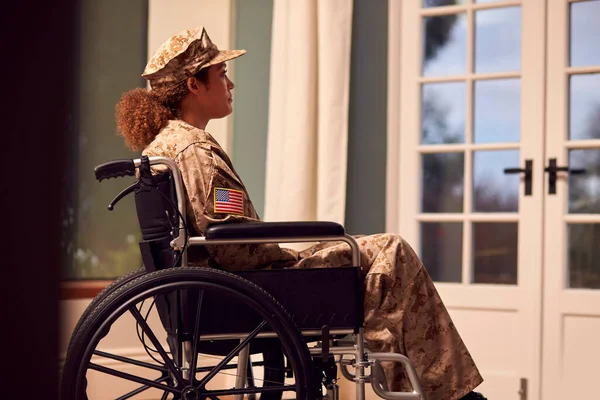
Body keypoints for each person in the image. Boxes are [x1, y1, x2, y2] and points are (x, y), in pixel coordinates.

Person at [115, 26, 486, 400]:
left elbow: (222, 237)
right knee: (391, 251)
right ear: (194, 85)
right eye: (222, 73)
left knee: (375, 253)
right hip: (251, 291)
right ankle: (449, 393)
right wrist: (289, 254)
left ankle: (426, 385)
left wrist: (290, 251)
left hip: (220, 291)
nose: (231, 84)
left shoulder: (164, 146)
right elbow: (230, 243)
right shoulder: (194, 149)